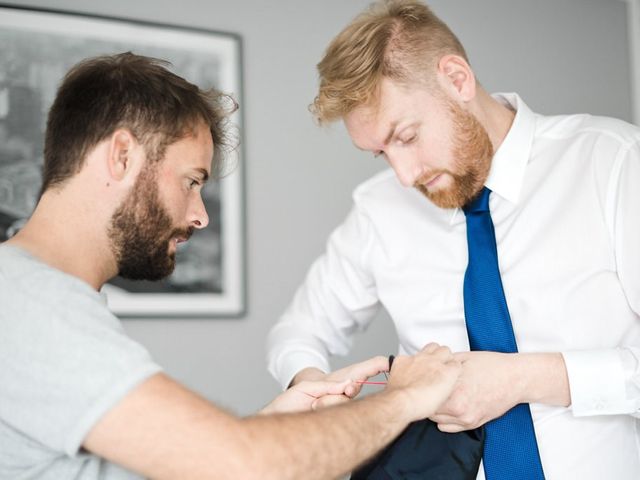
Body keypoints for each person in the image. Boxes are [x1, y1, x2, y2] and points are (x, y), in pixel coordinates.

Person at [0, 52, 463, 480]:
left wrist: (272, 423)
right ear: (122, 157)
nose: (200, 215)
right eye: (191, 181)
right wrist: (406, 399)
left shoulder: (41, 300)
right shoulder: (29, 305)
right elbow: (246, 467)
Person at [266, 1, 640, 478]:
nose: (403, 176)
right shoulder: (378, 210)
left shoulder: (611, 164)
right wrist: (313, 385)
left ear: (457, 79)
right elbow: (296, 333)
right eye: (380, 153)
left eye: (405, 136)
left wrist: (527, 378)